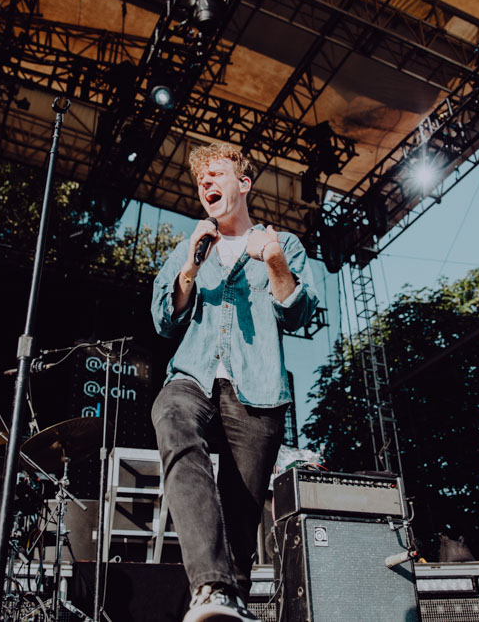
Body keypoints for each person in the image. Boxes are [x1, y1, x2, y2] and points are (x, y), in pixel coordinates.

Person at [150, 142, 318, 622]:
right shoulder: (191, 246)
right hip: (195, 377)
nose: (206, 185)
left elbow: (300, 314)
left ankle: (229, 603)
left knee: (242, 520)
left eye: (215, 175)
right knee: (171, 416)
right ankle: (210, 585)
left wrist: (275, 263)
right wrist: (190, 269)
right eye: (200, 180)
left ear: (243, 184)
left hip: (259, 389)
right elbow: (164, 320)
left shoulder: (283, 245)